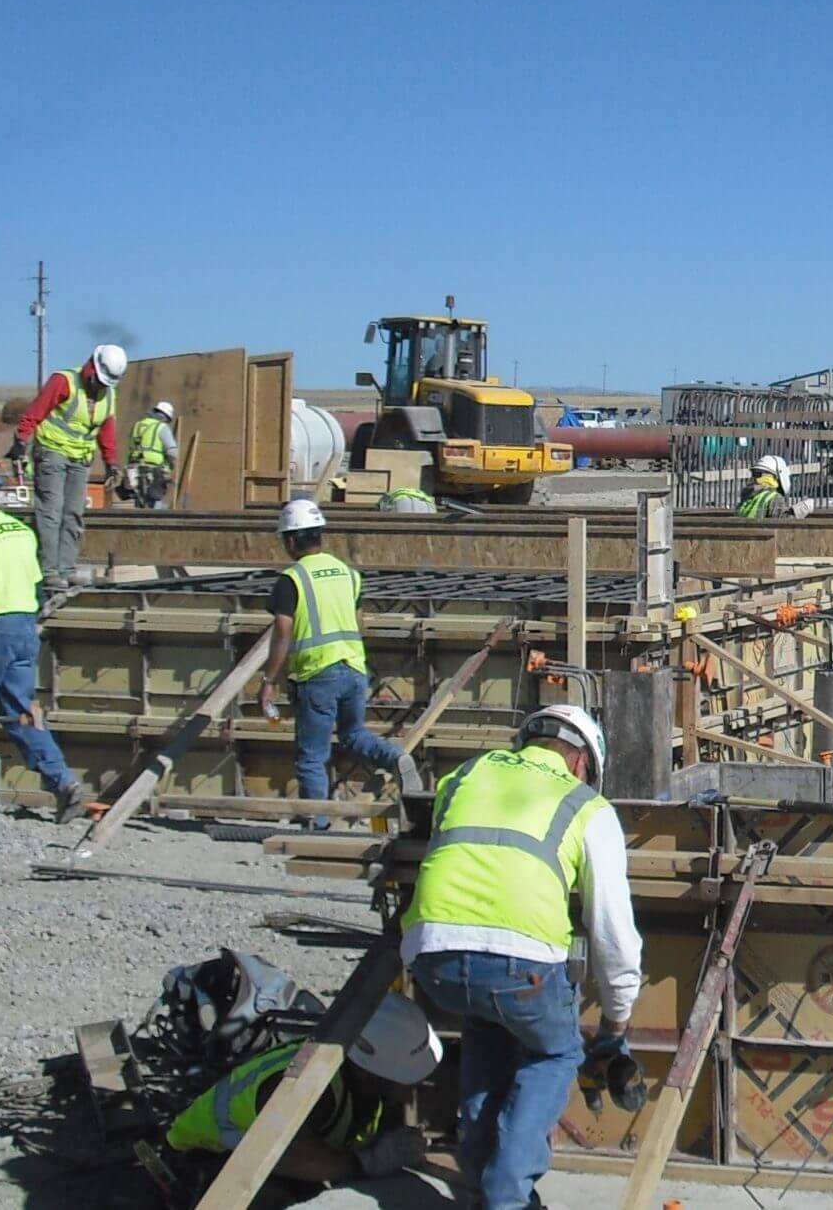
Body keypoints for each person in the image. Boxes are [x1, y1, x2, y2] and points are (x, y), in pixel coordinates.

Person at [402, 704, 643, 1210]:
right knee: (554, 1052)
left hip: (433, 957)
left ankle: (478, 1174)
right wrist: (616, 1024)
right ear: (582, 764)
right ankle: (506, 1197)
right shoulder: (586, 807)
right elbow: (613, 935)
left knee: (490, 1024)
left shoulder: (463, 776)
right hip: (521, 967)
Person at [258, 499, 420, 824]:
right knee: (354, 735)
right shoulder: (348, 574)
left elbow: (282, 633)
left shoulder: (292, 579)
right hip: (355, 669)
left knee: (311, 757)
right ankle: (395, 757)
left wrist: (269, 680)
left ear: (290, 540)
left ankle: (316, 827)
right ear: (319, 535)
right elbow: (360, 623)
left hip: (317, 674)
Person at [166, 994, 439, 1185]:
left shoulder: (359, 1080)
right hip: (205, 1160)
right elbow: (286, 1156)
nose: (416, 1085)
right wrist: (368, 1163)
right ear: (374, 1071)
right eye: (408, 1077)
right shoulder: (308, 1087)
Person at [0, 464, 88, 821]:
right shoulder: (21, 531)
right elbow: (37, 585)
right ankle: (63, 782)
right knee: (21, 713)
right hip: (25, 628)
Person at [9, 345, 128, 587]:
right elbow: (36, 411)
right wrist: (21, 440)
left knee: (73, 513)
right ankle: (49, 571)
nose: (100, 387)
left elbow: (107, 429)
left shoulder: (109, 394)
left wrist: (111, 462)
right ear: (91, 367)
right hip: (52, 451)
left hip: (80, 458)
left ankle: (66, 569)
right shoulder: (64, 381)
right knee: (51, 511)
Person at [127, 400, 178, 510]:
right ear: (166, 417)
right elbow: (172, 452)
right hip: (153, 469)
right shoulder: (161, 427)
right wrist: (172, 464)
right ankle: (155, 525)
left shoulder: (137, 425)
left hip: (133, 468)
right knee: (155, 500)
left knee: (139, 500)